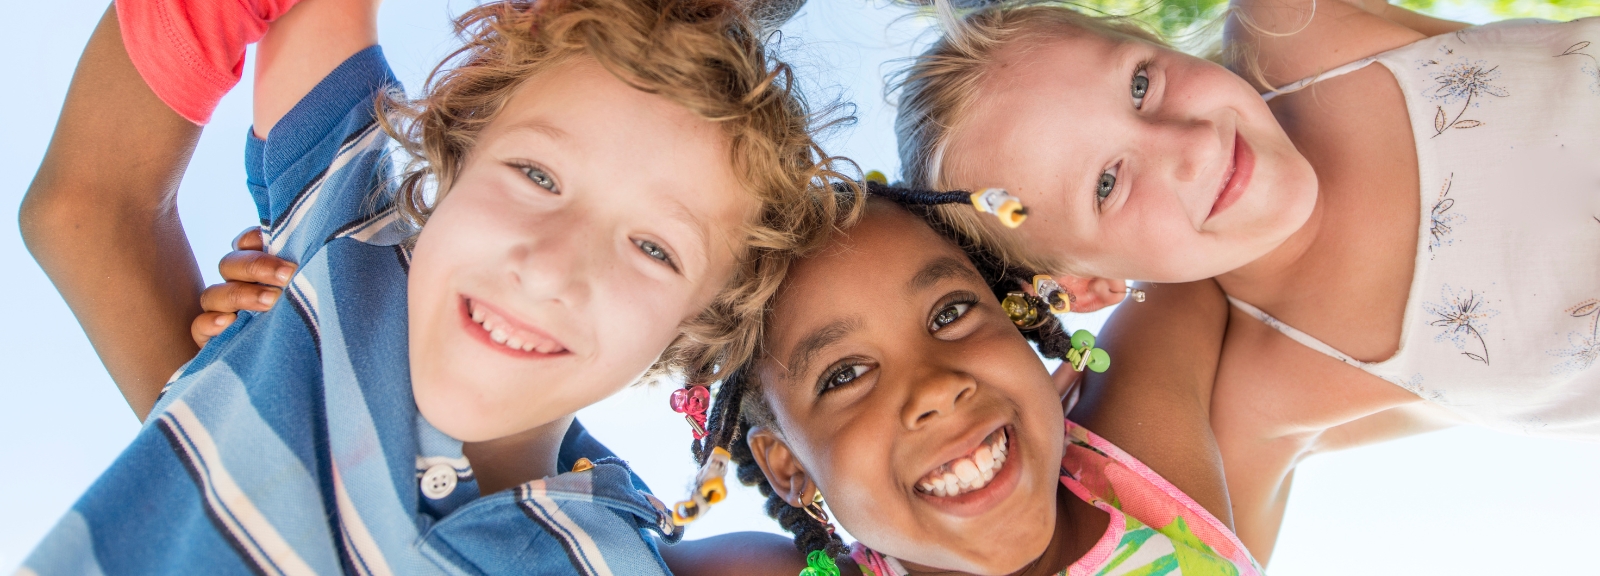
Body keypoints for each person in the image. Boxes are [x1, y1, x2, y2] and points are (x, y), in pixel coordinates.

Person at [17, 0, 853, 572]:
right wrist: (221, 391)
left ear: (695, 329)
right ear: (450, 158)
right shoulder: (348, 235)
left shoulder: (642, 555)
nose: (549, 264)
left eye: (653, 248)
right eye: (534, 173)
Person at [889, 0, 1600, 559]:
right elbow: (1196, 557)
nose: (1192, 143)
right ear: (1089, 286)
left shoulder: (1301, 33)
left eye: (1141, 82)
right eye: (1108, 183)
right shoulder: (1274, 387)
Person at [656, 188, 1260, 575]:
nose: (935, 389)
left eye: (950, 315)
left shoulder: (1135, 469)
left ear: (1019, 318)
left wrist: (1090, 260)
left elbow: (1200, 265)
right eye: (845, 375)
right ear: (788, 465)